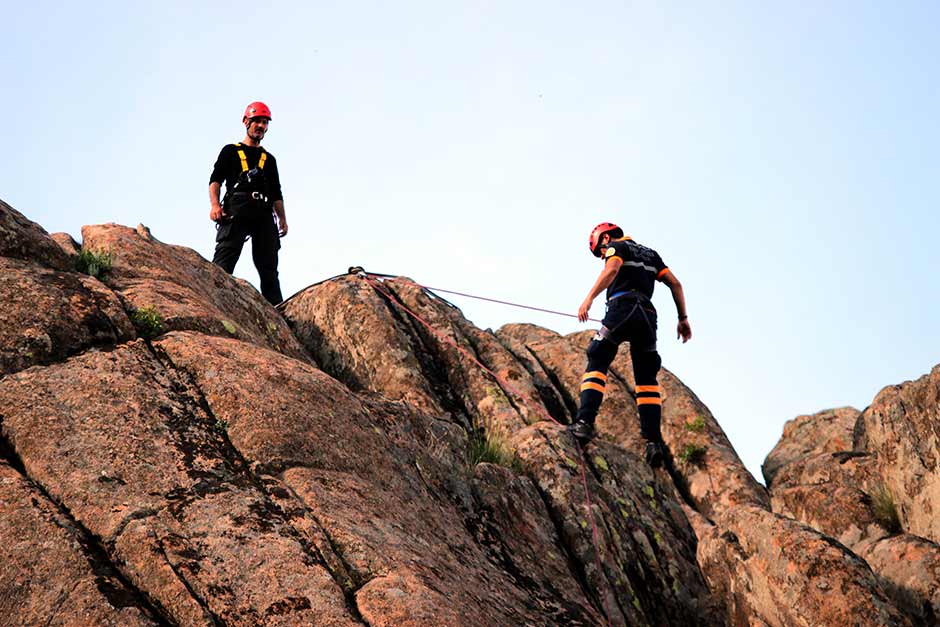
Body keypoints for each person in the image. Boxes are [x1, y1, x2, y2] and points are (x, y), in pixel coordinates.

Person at [569, 222, 692, 467]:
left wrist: (588, 299)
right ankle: (653, 443)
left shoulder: (616, 247)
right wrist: (683, 319)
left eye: (599, 252)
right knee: (646, 379)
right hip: (647, 315)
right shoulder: (651, 255)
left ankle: (584, 424)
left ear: (604, 238)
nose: (602, 256)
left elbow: (612, 270)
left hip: (622, 307)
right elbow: (675, 284)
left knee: (598, 356)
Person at [209, 101, 288, 305]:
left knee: (269, 267)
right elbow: (215, 180)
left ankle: (277, 309)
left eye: (265, 122)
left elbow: (276, 192)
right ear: (246, 121)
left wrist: (282, 219)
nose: (261, 126)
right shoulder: (230, 151)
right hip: (238, 208)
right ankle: (212, 300)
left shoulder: (269, 160)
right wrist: (215, 206)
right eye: (257, 121)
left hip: (263, 212)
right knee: (224, 260)